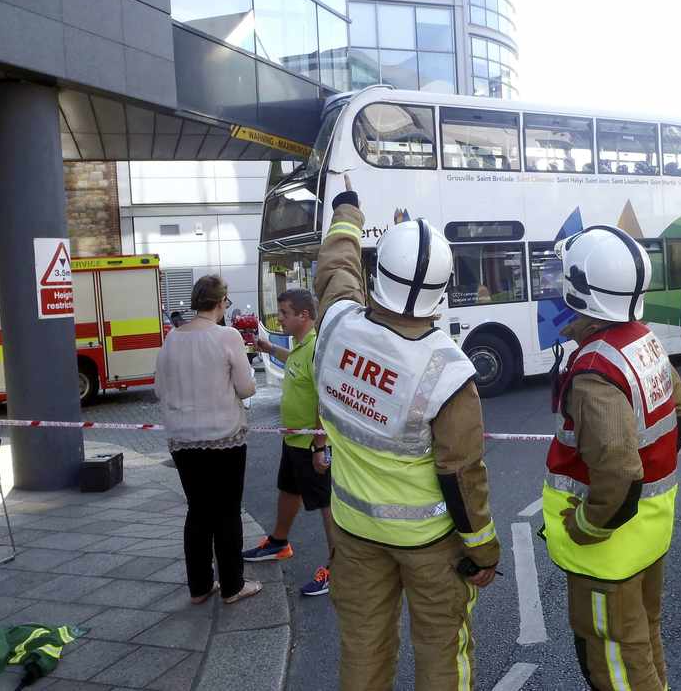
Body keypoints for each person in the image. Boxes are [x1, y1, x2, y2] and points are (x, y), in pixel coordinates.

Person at [313, 182, 500, 690]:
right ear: (442, 293)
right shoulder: (448, 370)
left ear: (376, 276)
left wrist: (347, 212)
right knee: (442, 652)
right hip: (429, 547)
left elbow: (334, 269)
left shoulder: (335, 324)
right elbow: (463, 474)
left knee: (363, 651)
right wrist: (483, 551)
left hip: (353, 534)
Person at [542, 225, 681, 691]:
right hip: (647, 532)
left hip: (608, 548)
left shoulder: (593, 371)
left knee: (613, 658)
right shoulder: (640, 339)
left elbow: (621, 473)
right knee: (642, 640)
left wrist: (585, 527)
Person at [154, 275, 261, 605]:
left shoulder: (172, 339)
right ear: (221, 302)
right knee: (227, 512)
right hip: (223, 436)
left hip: (183, 441)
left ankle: (199, 586)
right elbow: (246, 388)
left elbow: (159, 389)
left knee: (198, 512)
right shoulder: (226, 336)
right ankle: (232, 584)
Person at [244, 289, 333, 597]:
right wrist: (269, 348)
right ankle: (279, 542)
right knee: (288, 489)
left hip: (311, 444)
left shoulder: (316, 348)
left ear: (303, 316)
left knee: (326, 505)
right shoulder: (300, 347)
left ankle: (339, 567)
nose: (279, 319)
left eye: (284, 313)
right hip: (294, 439)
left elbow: (326, 400)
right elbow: (294, 363)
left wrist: (320, 446)